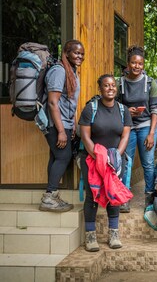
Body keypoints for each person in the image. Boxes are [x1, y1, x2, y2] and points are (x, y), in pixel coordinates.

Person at [78, 74, 132, 252]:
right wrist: (99, 157)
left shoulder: (123, 110)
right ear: (100, 89)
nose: (110, 88)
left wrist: (116, 156)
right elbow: (85, 136)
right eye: (106, 86)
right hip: (92, 159)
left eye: (113, 85)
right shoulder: (90, 109)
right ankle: (90, 235)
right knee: (92, 195)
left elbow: (125, 136)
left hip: (115, 161)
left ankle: (114, 233)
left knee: (113, 194)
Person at [39, 39, 85, 212]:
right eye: (76, 52)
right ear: (66, 53)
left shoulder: (71, 71)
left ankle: (53, 194)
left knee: (55, 156)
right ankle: (49, 197)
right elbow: (53, 102)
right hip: (54, 123)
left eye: (82, 54)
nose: (79, 56)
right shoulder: (59, 71)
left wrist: (72, 125)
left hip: (64, 122)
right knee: (63, 157)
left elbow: (69, 102)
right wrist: (60, 130)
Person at [119, 45, 157, 211]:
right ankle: (124, 197)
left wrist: (151, 133)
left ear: (143, 65)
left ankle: (149, 198)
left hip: (146, 126)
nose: (137, 66)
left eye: (140, 64)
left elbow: (155, 109)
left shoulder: (150, 83)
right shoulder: (119, 82)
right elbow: (112, 106)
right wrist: (126, 111)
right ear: (128, 64)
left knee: (148, 163)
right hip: (127, 127)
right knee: (125, 162)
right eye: (133, 63)